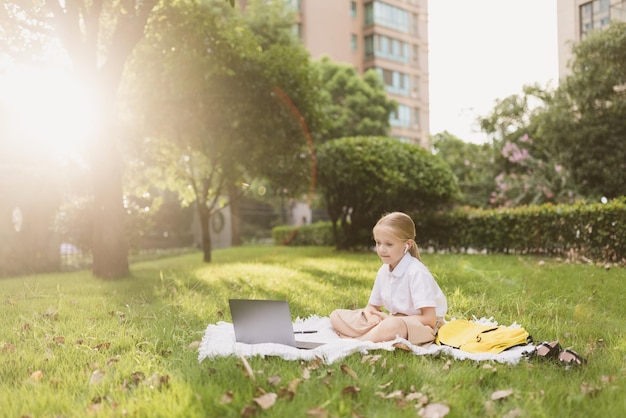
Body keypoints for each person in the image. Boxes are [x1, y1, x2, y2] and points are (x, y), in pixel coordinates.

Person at [330, 212, 447, 345]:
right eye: (378, 243)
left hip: (423, 326)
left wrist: (389, 321)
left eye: (389, 244)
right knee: (336, 316)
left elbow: (429, 319)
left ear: (407, 245)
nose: (381, 249)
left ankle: (357, 341)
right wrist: (371, 317)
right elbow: (371, 307)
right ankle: (373, 334)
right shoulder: (384, 271)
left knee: (392, 325)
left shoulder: (416, 272)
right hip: (392, 321)